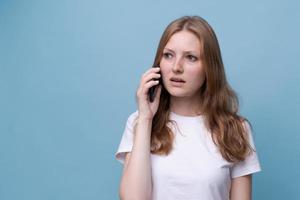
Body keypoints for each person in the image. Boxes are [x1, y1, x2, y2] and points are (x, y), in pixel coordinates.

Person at [115, 15, 262, 200]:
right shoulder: (139, 122)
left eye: (191, 57)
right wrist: (146, 119)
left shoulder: (236, 129)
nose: (176, 67)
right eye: (168, 55)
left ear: (210, 67)